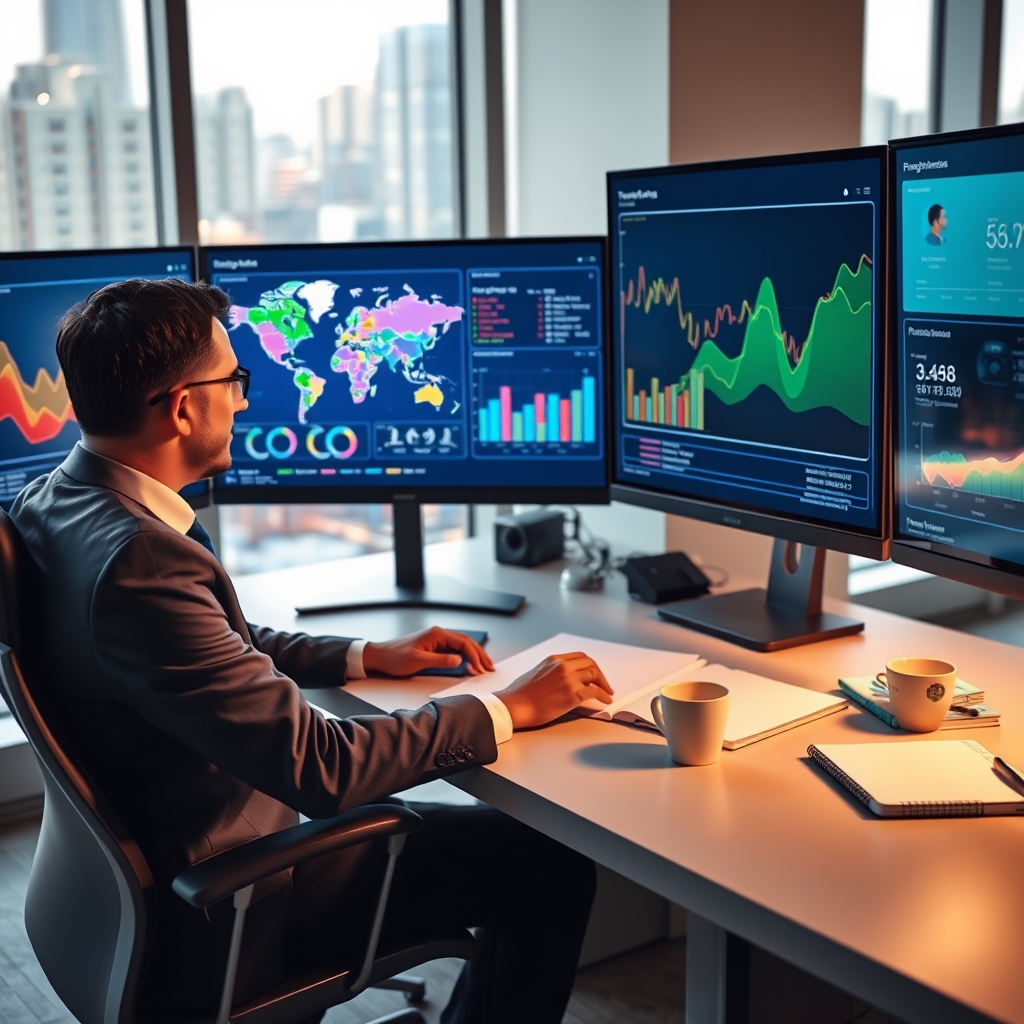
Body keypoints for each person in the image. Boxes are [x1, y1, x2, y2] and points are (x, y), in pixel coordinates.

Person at [11, 278, 615, 1024]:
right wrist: (507, 706)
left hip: (161, 859)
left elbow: (208, 645)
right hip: (241, 890)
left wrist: (364, 656)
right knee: (549, 866)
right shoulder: (142, 563)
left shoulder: (54, 503)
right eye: (232, 381)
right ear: (181, 407)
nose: (242, 399)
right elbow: (323, 770)